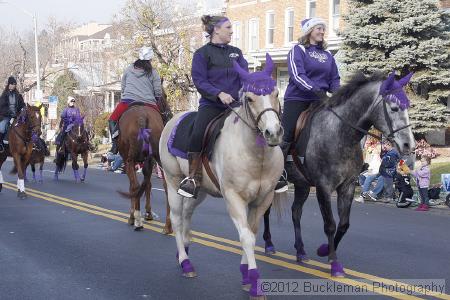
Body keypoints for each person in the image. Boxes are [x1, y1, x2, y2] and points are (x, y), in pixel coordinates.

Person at [177, 15, 248, 198]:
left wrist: (248, 91)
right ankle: (192, 177)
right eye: (228, 27)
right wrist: (218, 94)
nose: (232, 31)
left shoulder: (237, 53)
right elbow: (199, 80)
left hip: (237, 105)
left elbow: (245, 77)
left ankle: (273, 172)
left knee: (260, 126)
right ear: (216, 29)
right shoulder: (202, 53)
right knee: (198, 133)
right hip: (212, 105)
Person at [277, 17, 340, 191]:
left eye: (323, 29)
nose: (322, 31)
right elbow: (298, 76)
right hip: (298, 98)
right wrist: (315, 90)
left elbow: (334, 78)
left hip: (320, 100)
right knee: (287, 133)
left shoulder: (328, 55)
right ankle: (279, 172)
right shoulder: (298, 50)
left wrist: (338, 93)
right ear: (309, 31)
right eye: (318, 28)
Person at [108, 46, 163, 155]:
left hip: (128, 101)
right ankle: (163, 144)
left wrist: (127, 93)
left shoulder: (129, 69)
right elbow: (158, 92)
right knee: (163, 118)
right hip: (149, 103)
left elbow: (123, 87)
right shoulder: (153, 72)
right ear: (150, 59)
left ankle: (114, 145)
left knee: (112, 119)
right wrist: (155, 98)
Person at [0, 76, 25, 152]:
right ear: (9, 84)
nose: (13, 85)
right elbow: (1, 106)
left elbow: (22, 104)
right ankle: (0, 143)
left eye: (14, 84)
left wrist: (24, 108)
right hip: (6, 116)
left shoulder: (18, 95)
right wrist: (9, 113)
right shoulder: (4, 95)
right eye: (12, 84)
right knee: (2, 127)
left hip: (16, 116)